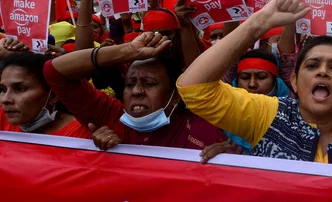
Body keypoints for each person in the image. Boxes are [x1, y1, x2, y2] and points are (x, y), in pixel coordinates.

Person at [177, 0, 332, 174]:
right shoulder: (268, 115)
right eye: (312, 66)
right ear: (294, 81)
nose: (323, 71)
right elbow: (194, 89)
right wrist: (257, 24)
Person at [44, 32, 227, 151]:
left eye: (149, 83)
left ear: (176, 96)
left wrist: (227, 158)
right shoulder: (110, 117)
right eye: (130, 84)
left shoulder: (203, 131)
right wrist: (128, 50)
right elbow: (54, 72)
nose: (137, 91)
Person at [0, 38, 90, 138]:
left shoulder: (84, 136)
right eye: (3, 90)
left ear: (53, 95)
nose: (5, 99)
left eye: (20, 89)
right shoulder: (3, 118)